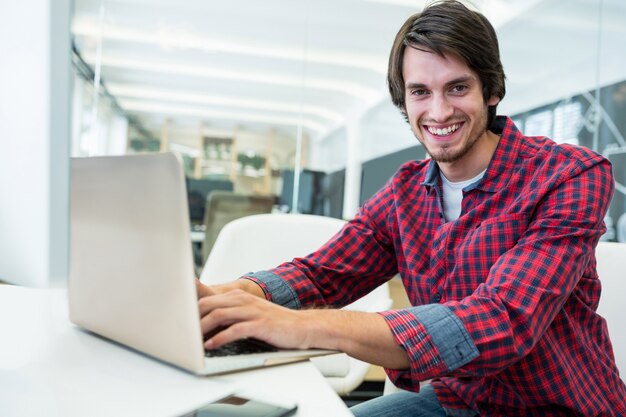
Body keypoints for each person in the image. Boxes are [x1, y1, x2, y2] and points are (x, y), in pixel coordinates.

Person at [195, 1, 626, 415]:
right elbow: (320, 274)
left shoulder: (569, 174)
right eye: (420, 91)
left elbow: (502, 319)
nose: (438, 111)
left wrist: (301, 327)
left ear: (492, 90)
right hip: (455, 404)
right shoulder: (405, 190)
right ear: (404, 100)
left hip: (553, 409)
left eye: (458, 87)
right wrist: (228, 296)